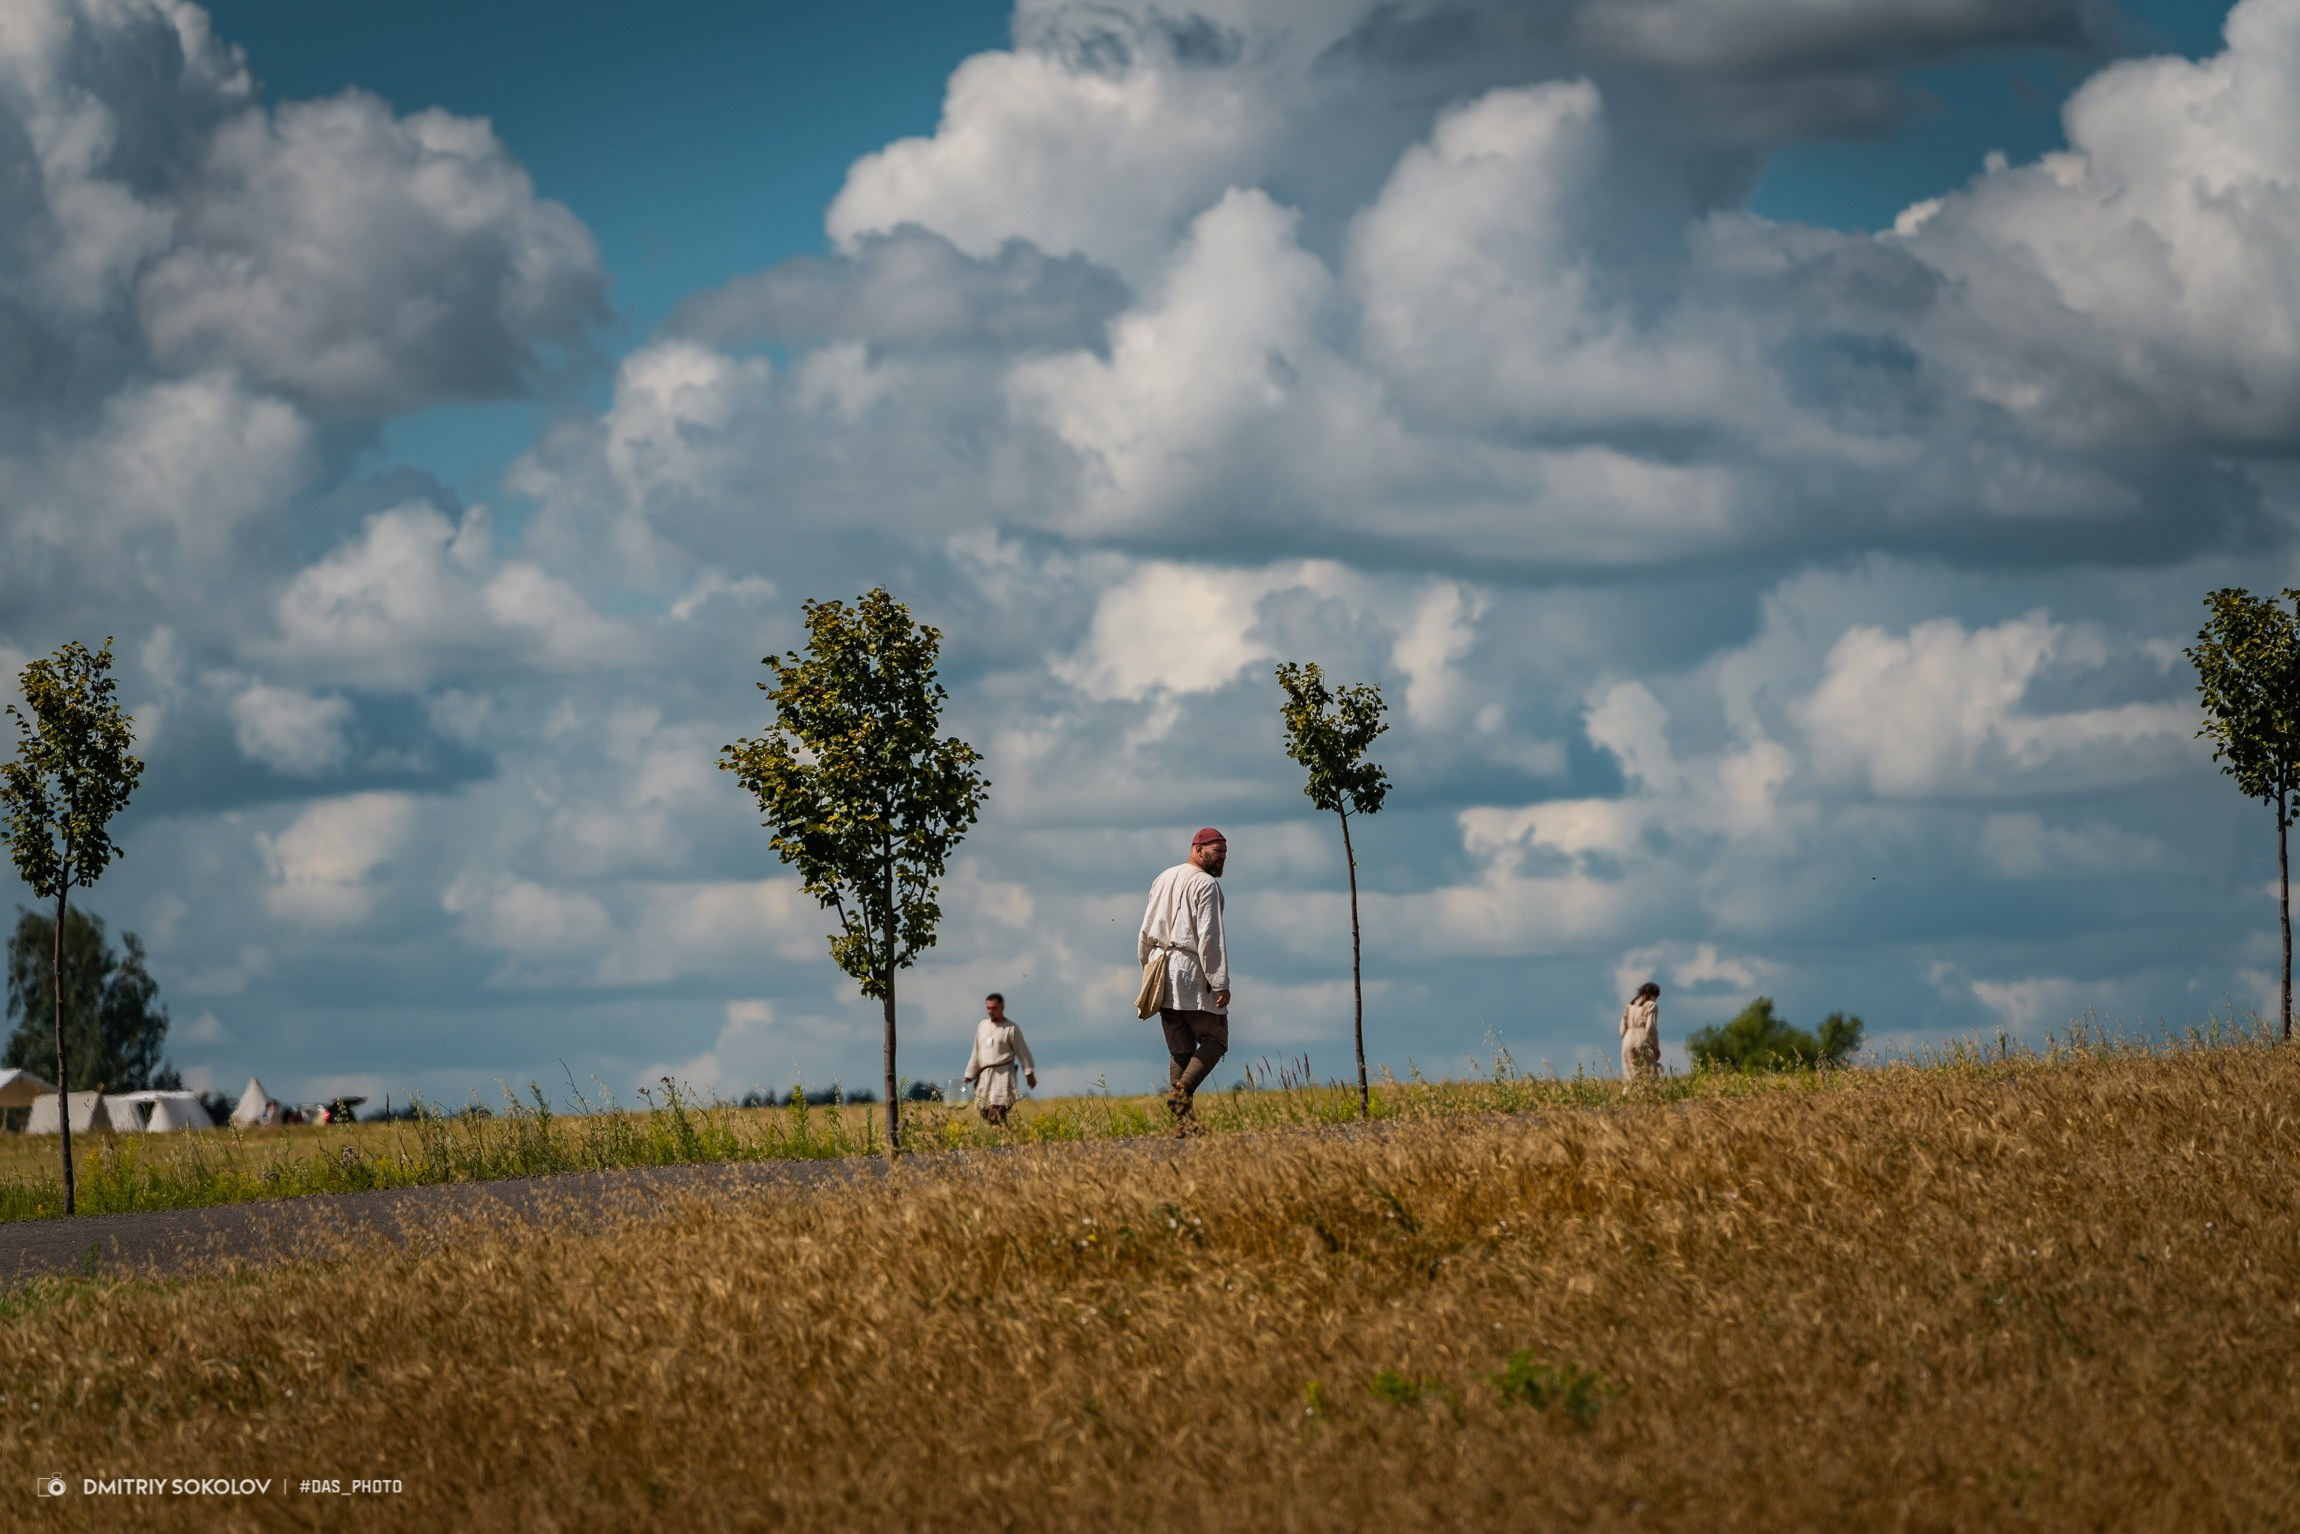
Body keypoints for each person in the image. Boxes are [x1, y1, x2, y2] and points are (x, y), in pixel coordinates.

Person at [1139, 828, 1231, 1127]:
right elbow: (1209, 937)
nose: (1222, 858)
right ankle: (1182, 1090)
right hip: (1189, 968)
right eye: (1217, 852)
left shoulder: (1163, 877)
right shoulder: (1206, 885)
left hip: (1158, 964)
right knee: (1215, 1038)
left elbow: (1145, 928)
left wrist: (1147, 968)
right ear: (1198, 848)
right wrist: (1220, 982)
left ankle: (1183, 1124)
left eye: (1224, 853)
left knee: (1180, 1049)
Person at [963, 993, 1036, 1126]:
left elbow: (1023, 1052)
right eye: (988, 1008)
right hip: (985, 1076)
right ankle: (1005, 1135)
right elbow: (976, 1052)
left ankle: (1004, 1139)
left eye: (994, 1008)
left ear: (1002, 1007)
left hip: (1003, 1075)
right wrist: (969, 1074)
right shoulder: (982, 1026)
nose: (991, 1011)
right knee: (982, 1108)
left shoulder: (1011, 1028)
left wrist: (1029, 1073)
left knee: (997, 1110)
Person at [1621, 980, 1661, 1084]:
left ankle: (1626, 1098)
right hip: (1642, 1037)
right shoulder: (1651, 1005)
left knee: (1631, 1076)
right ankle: (1649, 1097)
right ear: (1652, 995)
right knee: (1650, 1074)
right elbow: (1650, 1027)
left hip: (1627, 1039)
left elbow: (1621, 1030)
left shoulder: (1629, 1006)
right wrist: (1655, 1046)